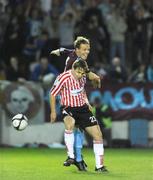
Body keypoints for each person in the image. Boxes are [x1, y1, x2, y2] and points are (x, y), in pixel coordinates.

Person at [50, 36, 101, 171]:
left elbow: (67, 50)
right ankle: (76, 158)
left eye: (88, 49)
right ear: (78, 50)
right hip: (68, 94)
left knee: (79, 129)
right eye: (84, 49)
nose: (87, 52)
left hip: (77, 96)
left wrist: (59, 50)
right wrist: (95, 77)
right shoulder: (76, 62)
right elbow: (87, 73)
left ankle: (78, 159)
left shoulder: (74, 53)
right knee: (75, 127)